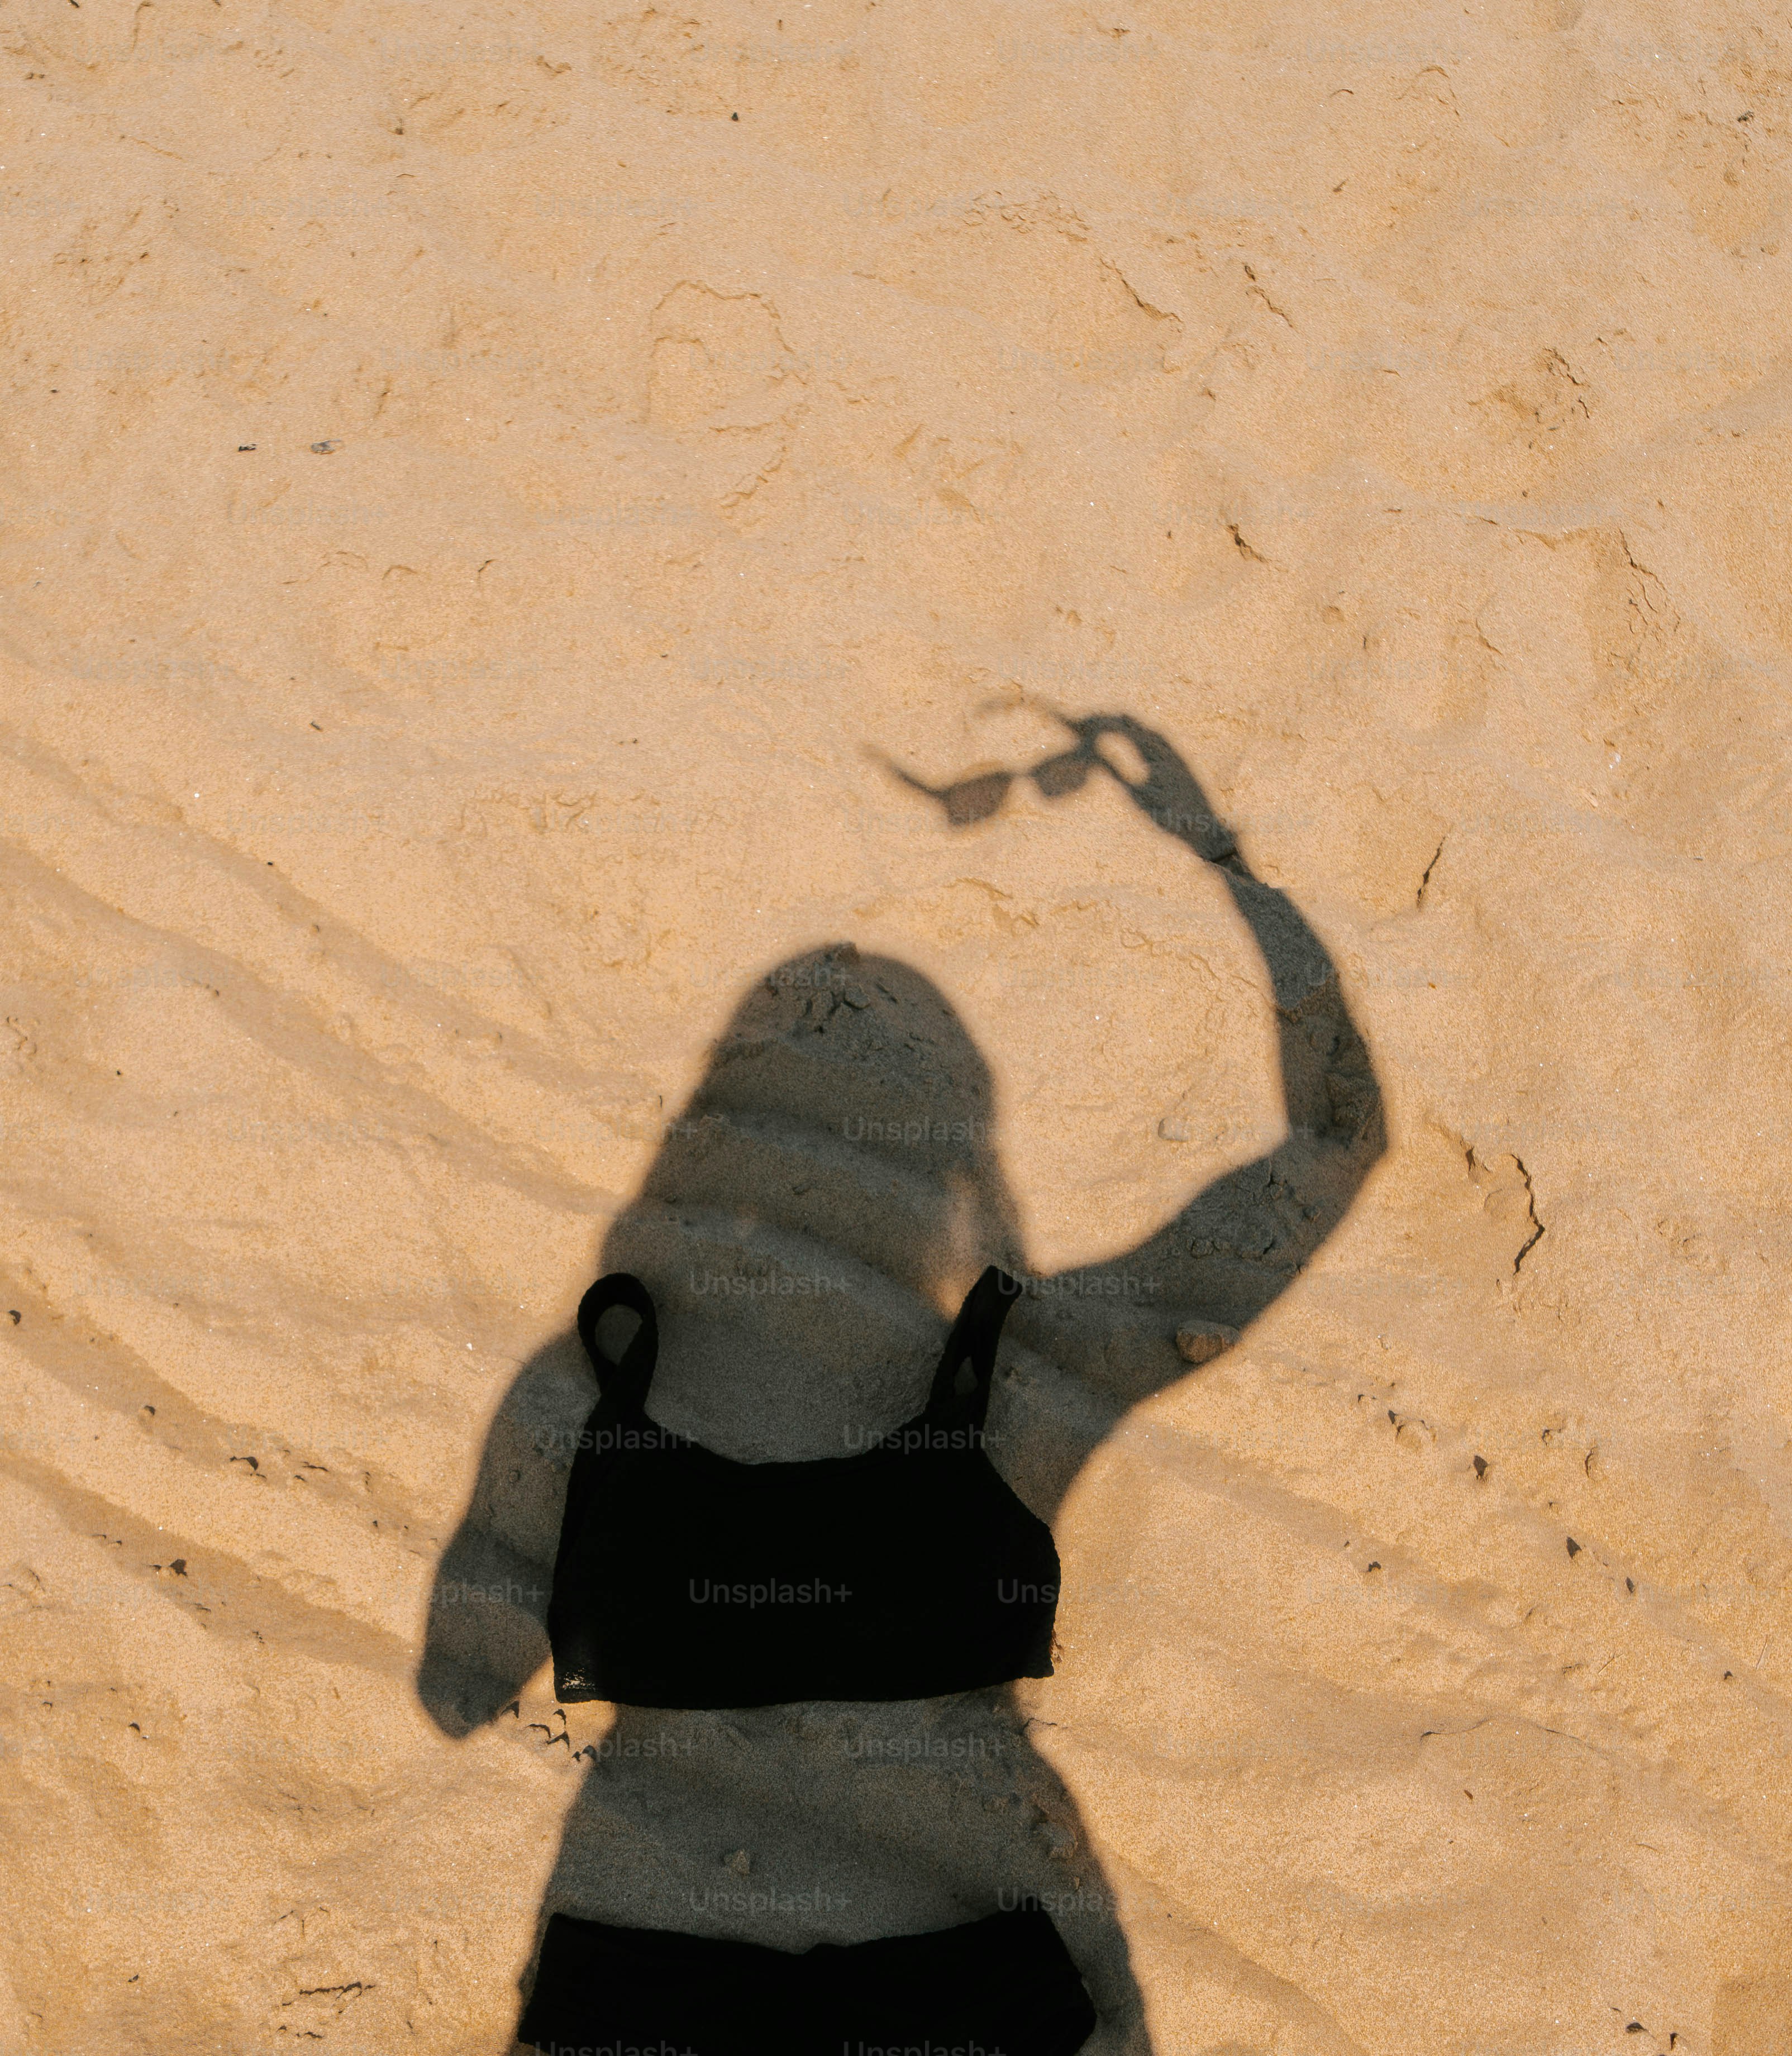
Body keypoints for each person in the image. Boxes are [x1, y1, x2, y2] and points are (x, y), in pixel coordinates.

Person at [418, 711, 1385, 2055]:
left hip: (657, 1978)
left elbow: (454, 1689)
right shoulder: (1027, 1394)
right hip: (947, 1993)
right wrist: (1232, 876)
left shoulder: (593, 1373)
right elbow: (1324, 1167)